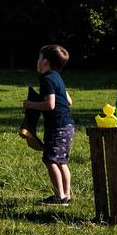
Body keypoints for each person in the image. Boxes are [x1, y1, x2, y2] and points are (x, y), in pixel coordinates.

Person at [21, 44, 74, 205]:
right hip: (68, 125)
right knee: (61, 161)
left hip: (57, 127)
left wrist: (29, 104)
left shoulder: (46, 79)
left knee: (50, 160)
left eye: (39, 57)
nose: (37, 61)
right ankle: (66, 195)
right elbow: (69, 101)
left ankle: (60, 197)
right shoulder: (57, 77)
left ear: (45, 61)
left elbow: (50, 105)